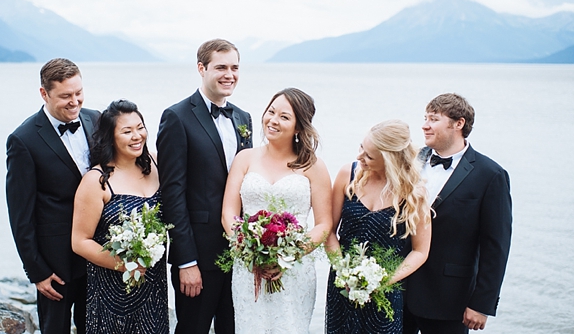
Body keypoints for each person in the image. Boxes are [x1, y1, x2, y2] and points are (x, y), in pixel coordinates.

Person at [157, 39, 253, 334]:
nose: (229, 74)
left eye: (235, 67)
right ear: (202, 68)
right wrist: (186, 261)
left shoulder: (243, 118)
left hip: (240, 255)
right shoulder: (176, 117)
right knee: (192, 328)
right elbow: (172, 194)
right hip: (199, 254)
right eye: (221, 67)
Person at [222, 87, 333, 334]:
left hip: (294, 271)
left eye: (284, 117)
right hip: (248, 267)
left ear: (298, 127)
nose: (273, 120)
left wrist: (288, 255)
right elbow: (229, 212)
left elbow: (324, 224)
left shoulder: (313, 166)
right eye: (271, 112)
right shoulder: (245, 158)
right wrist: (248, 249)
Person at [404, 93, 512, 334]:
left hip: (450, 298)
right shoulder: (411, 160)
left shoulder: (490, 175)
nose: (425, 125)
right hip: (400, 290)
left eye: (433, 119)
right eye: (425, 118)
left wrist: (481, 304)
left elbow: (496, 245)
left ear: (458, 124)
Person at [6, 58, 100, 333]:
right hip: (55, 264)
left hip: (97, 255)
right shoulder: (23, 140)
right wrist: (37, 272)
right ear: (44, 93)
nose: (75, 102)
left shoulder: (96, 119)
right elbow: (20, 214)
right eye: (66, 96)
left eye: (79, 93)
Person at [325, 119, 432, 333]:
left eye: (369, 156)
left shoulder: (413, 193)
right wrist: (344, 272)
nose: (359, 157)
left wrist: (383, 281)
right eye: (361, 148)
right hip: (343, 287)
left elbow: (420, 251)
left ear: (389, 160)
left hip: (385, 292)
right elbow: (329, 231)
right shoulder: (348, 175)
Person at [71, 99, 168, 333]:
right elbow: (79, 241)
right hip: (111, 289)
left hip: (153, 286)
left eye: (140, 127)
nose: (137, 136)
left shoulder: (156, 163)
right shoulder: (96, 180)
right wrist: (124, 264)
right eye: (127, 131)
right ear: (110, 137)